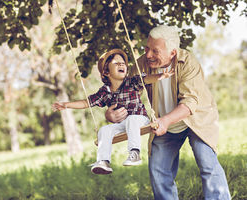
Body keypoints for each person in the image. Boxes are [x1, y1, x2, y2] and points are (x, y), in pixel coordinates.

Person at [105, 25, 231, 199]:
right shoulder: (142, 64)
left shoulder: (187, 62)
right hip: (164, 123)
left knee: (207, 163)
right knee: (158, 170)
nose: (148, 55)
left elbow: (190, 102)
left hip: (196, 119)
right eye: (146, 48)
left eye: (155, 51)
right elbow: (125, 94)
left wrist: (166, 121)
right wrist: (111, 114)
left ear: (172, 53)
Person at [52, 49, 174, 175]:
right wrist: (66, 105)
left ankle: (134, 153)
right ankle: (103, 161)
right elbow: (86, 102)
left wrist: (160, 76)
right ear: (106, 72)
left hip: (139, 120)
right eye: (116, 63)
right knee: (104, 130)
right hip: (123, 124)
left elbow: (147, 79)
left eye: (123, 63)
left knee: (132, 120)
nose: (121, 65)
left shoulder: (131, 82)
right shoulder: (104, 92)